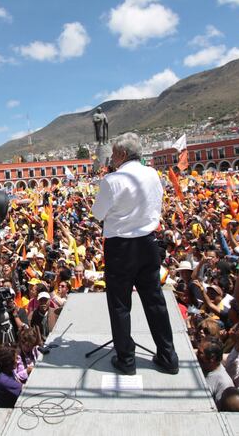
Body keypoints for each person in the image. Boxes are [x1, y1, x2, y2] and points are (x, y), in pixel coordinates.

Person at [91, 133, 179, 375]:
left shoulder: (112, 180)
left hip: (120, 247)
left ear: (121, 154)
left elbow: (97, 213)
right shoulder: (152, 174)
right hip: (149, 244)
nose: (112, 158)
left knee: (120, 304)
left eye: (114, 154)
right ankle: (168, 356)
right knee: (155, 301)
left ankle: (126, 360)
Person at [197, 338, 234, 404]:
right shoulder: (201, 366)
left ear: (212, 358)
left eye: (200, 353)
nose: (196, 354)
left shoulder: (224, 383)